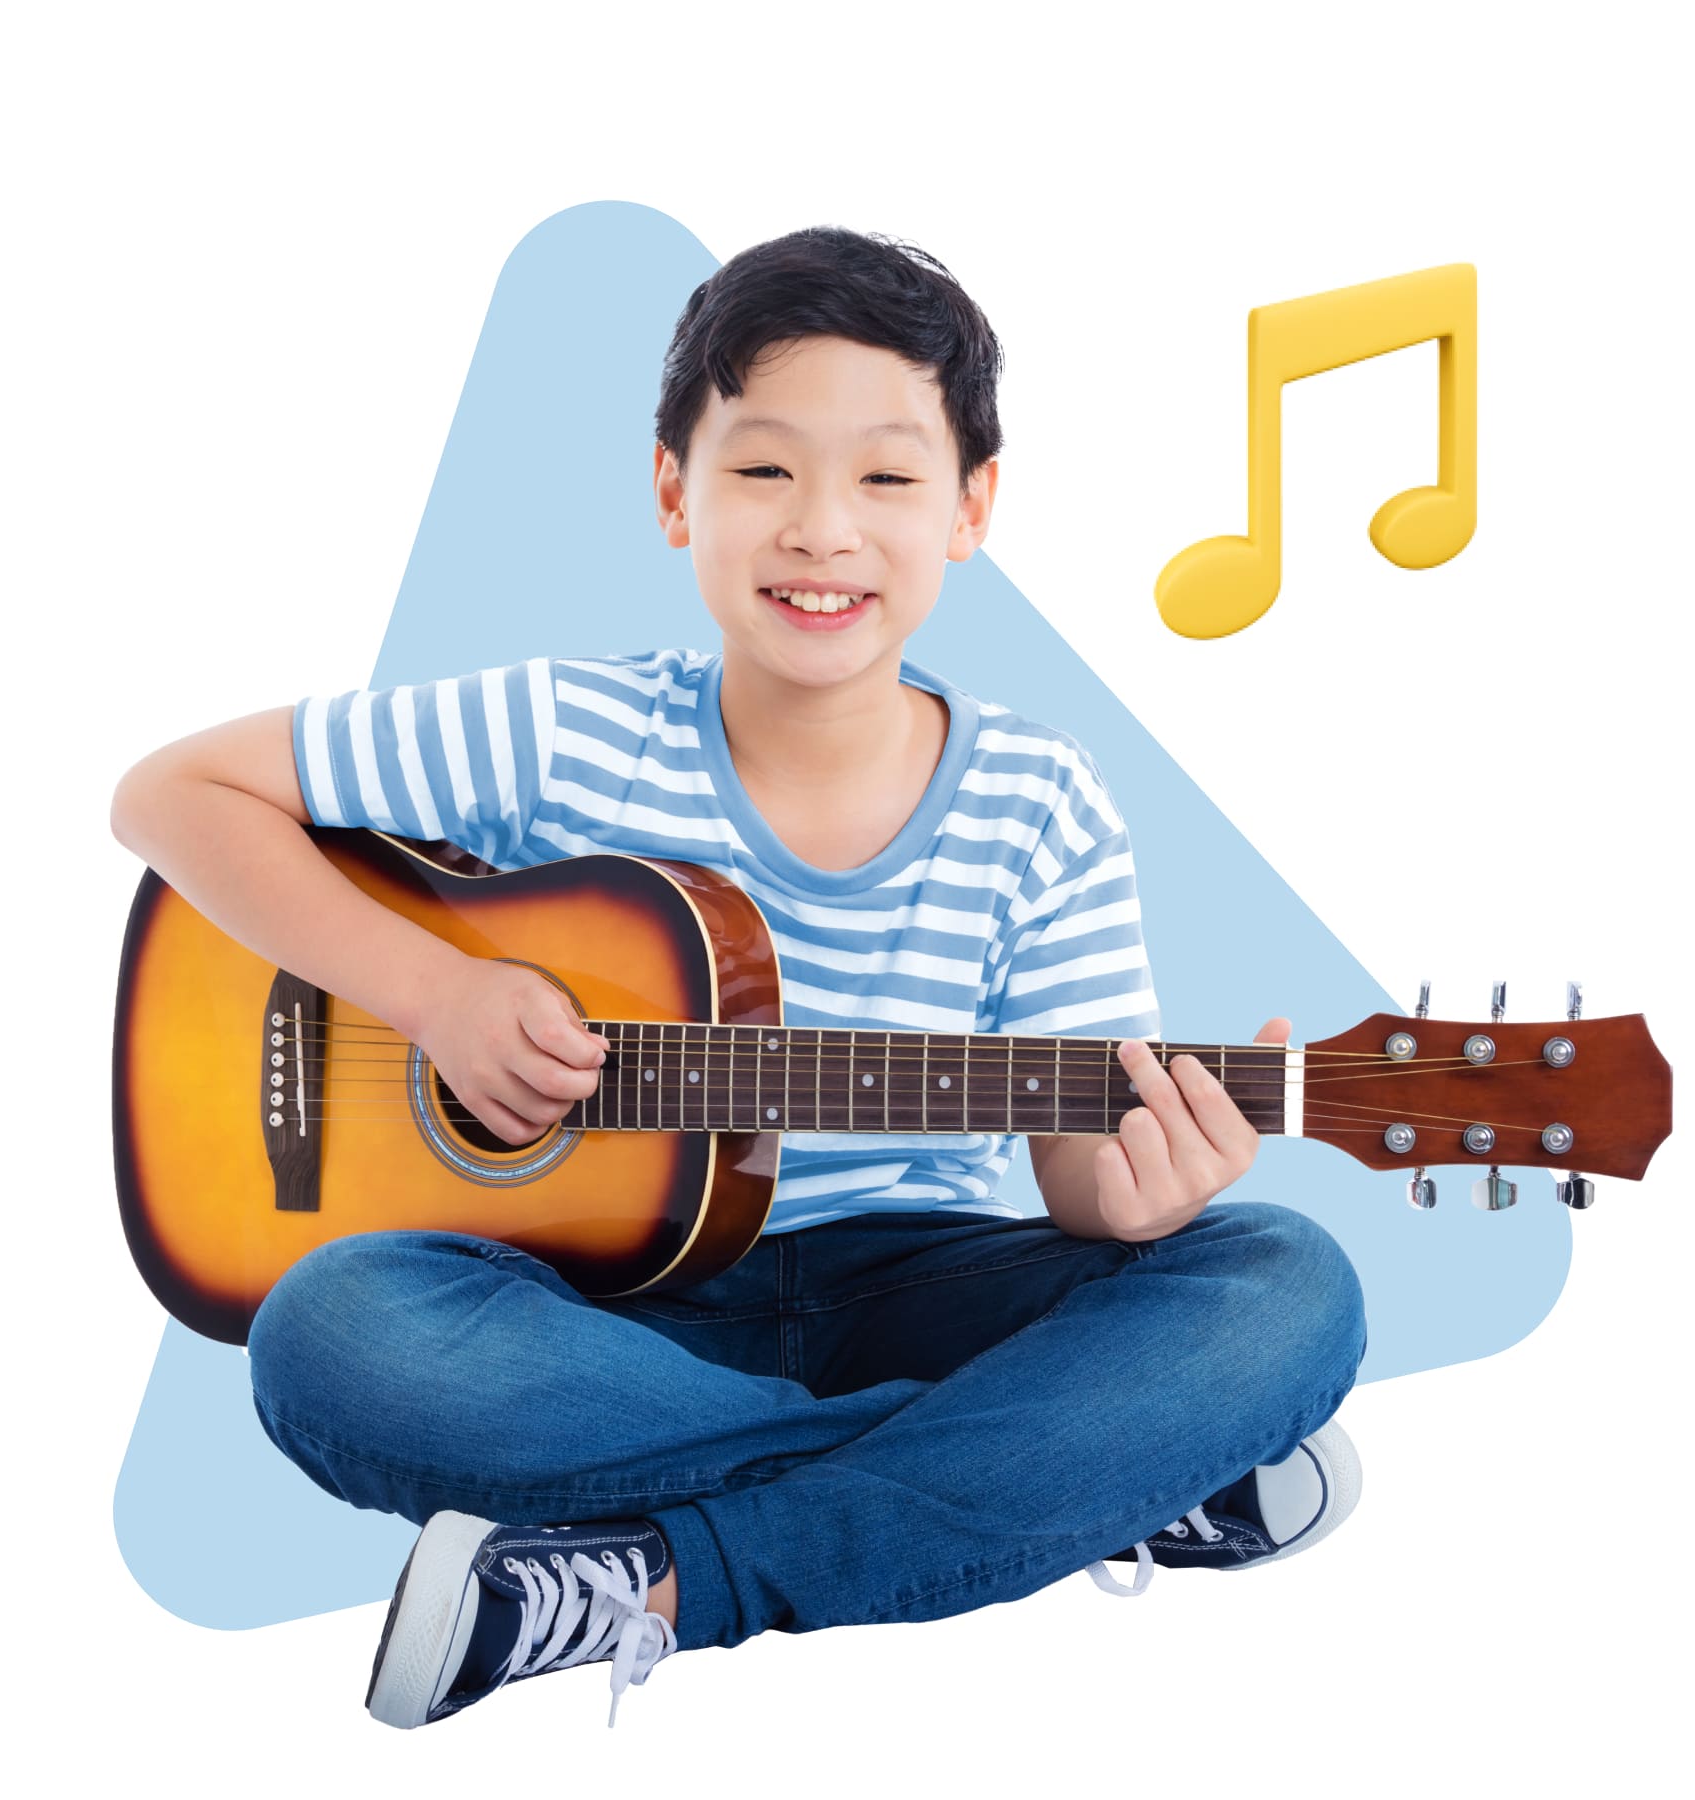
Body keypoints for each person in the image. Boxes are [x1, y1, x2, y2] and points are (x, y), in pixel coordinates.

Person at [109, 224, 1367, 1732]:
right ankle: (1064, 1480)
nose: (821, 529)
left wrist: (1148, 1188)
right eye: (764, 470)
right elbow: (172, 796)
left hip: (921, 1284)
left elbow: (1083, 1190)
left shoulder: (1042, 800)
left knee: (1282, 1282)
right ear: (671, 493)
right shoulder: (558, 730)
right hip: (598, 1319)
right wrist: (431, 994)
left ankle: (658, 1579)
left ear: (970, 508)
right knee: (326, 1334)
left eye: (887, 478)